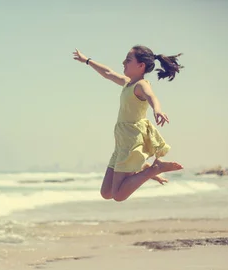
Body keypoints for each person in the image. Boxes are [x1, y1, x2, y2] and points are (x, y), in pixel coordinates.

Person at [72, 45, 184, 202]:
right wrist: (87, 60)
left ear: (141, 66)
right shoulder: (128, 83)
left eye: (128, 60)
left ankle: (154, 169)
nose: (123, 62)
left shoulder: (141, 85)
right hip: (121, 141)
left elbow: (151, 96)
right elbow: (108, 73)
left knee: (118, 195)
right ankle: (144, 168)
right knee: (106, 193)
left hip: (131, 140)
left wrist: (157, 110)